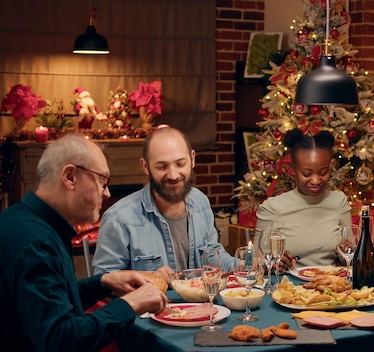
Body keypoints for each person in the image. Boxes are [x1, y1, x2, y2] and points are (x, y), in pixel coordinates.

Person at [0, 133, 168, 351]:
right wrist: (130, 304)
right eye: (102, 181)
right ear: (70, 177)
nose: (107, 193)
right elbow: (61, 340)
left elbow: (46, 303)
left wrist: (103, 282)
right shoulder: (34, 242)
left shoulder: (22, 221)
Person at [93, 127, 236, 282]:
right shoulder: (119, 218)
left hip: (203, 304)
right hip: (151, 306)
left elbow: (212, 256)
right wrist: (148, 278)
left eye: (180, 164)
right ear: (145, 166)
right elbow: (103, 283)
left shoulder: (200, 201)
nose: (173, 175)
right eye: (162, 167)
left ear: (192, 159)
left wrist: (245, 265)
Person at [256, 129, 352, 270]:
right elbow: (256, 262)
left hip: (330, 285)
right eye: (307, 174)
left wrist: (346, 254)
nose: (315, 180)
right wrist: (271, 262)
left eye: (323, 172)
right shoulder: (272, 208)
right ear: (293, 169)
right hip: (288, 287)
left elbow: (350, 257)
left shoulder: (339, 202)